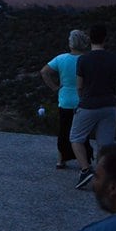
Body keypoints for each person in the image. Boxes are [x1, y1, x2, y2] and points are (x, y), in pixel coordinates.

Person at [69, 24, 116, 190]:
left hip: (88, 104)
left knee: (76, 138)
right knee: (105, 145)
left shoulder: (83, 59)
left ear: (90, 39)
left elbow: (79, 86)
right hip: (109, 106)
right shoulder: (114, 58)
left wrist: (82, 100)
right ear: (105, 39)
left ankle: (85, 170)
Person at [40, 30, 94, 169]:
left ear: (71, 44)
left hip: (65, 101)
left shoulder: (61, 58)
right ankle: (85, 161)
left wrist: (54, 87)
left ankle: (61, 160)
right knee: (83, 133)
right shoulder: (88, 59)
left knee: (64, 131)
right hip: (83, 101)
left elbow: (44, 72)